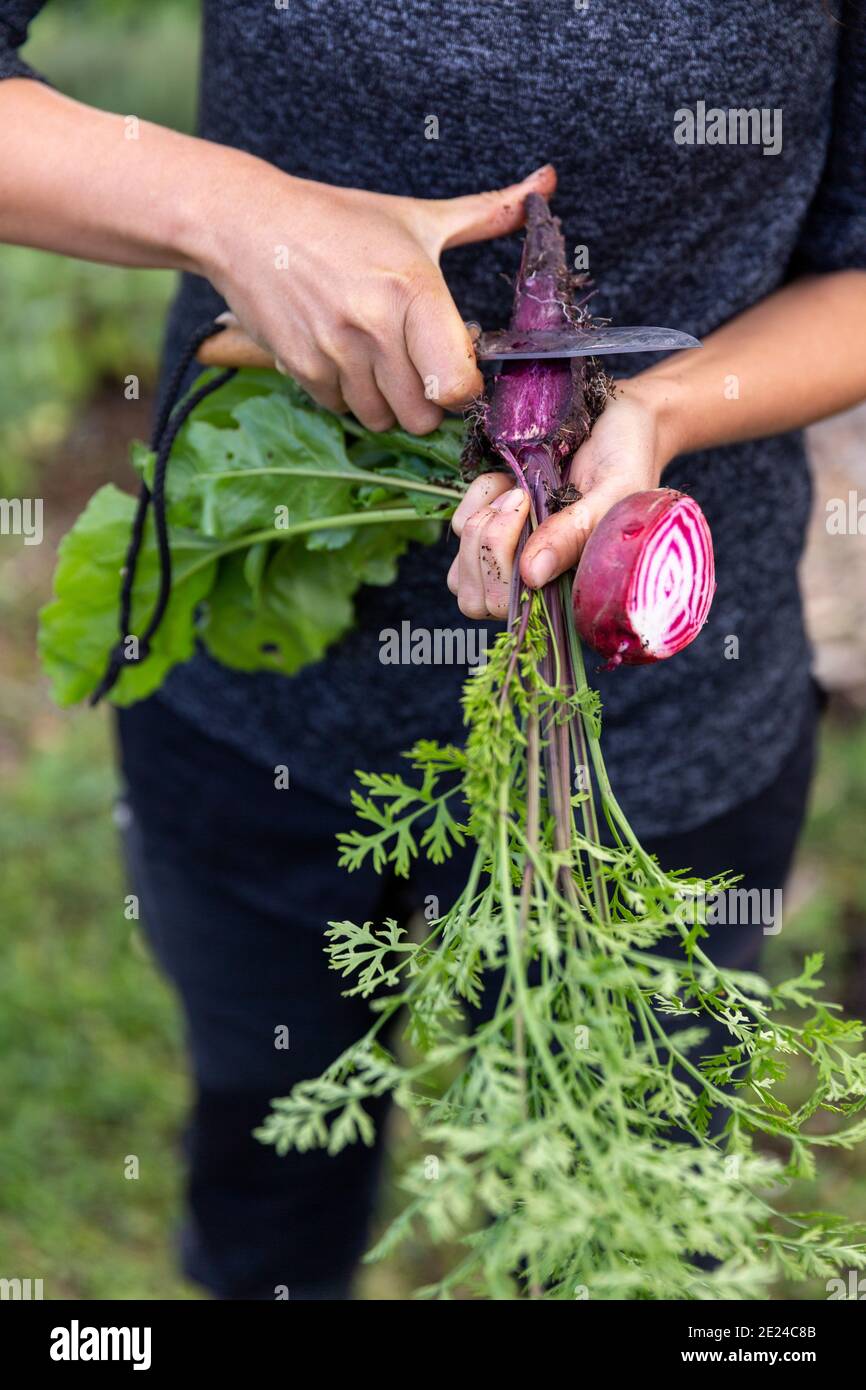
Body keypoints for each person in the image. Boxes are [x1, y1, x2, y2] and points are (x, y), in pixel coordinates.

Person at [1, 1, 865, 1300]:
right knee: (269, 1154)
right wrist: (235, 213)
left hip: (650, 731)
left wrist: (664, 409)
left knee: (603, 1219)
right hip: (255, 665)